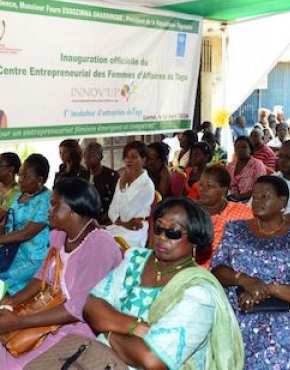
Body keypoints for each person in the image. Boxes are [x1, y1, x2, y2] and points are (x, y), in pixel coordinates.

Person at [84, 198, 244, 369]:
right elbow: (91, 306)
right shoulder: (135, 260)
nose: (161, 236)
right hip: (103, 361)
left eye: (173, 232)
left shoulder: (199, 292)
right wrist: (135, 326)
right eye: (158, 228)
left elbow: (153, 360)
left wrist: (109, 333)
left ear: (195, 240)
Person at [0, 178, 123, 368]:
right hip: (52, 313)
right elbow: (43, 275)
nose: (49, 210)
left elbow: (77, 308)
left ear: (74, 210)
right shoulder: (60, 234)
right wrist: (12, 302)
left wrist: (20, 322)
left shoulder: (98, 245)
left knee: (14, 363)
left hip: (80, 326)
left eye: (55, 205)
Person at [211, 176, 290, 368]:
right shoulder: (235, 229)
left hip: (282, 313)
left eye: (264, 196)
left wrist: (268, 289)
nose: (257, 201)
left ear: (282, 202)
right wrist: (243, 280)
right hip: (233, 305)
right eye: (254, 196)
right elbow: (217, 269)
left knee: (274, 355)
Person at [0, 154, 51, 296]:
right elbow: (5, 225)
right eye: (20, 175)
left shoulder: (46, 200)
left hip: (31, 258)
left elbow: (26, 233)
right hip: (9, 251)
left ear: (40, 180)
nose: (20, 180)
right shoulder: (19, 193)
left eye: (25, 176)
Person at [196, 166, 253, 268]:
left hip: (228, 270)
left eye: (209, 186)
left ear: (223, 191)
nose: (203, 190)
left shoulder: (243, 212)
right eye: (200, 185)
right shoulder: (189, 212)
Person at [107, 141, 155, 248]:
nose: (129, 160)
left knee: (105, 245)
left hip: (135, 231)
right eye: (126, 157)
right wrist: (120, 222)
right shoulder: (122, 180)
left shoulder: (146, 185)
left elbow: (125, 215)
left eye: (134, 157)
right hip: (120, 226)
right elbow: (112, 209)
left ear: (143, 160)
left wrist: (123, 189)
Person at [83, 142, 119, 225]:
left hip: (106, 220)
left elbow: (116, 200)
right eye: (85, 155)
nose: (86, 159)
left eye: (91, 155)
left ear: (101, 157)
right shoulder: (82, 175)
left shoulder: (111, 176)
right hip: (85, 220)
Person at [227, 136, 267, 202]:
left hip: (250, 201)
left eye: (244, 147)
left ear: (250, 149)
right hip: (231, 200)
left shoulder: (257, 165)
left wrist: (241, 197)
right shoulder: (231, 165)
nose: (240, 150)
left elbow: (260, 188)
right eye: (237, 147)